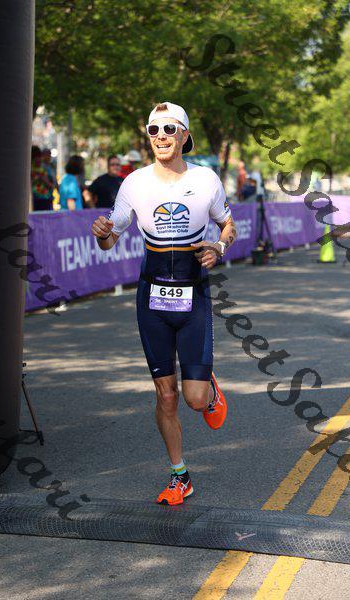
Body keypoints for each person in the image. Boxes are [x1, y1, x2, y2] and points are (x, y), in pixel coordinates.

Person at [91, 102, 237, 505]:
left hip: (194, 298)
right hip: (151, 299)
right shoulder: (134, 183)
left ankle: (208, 389)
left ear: (185, 135)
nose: (161, 137)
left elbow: (228, 224)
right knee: (166, 395)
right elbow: (110, 239)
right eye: (153, 130)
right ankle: (179, 475)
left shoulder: (206, 179)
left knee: (194, 400)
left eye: (169, 129)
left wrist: (219, 247)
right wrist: (102, 233)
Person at [31, 146, 54, 211]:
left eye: (39, 157)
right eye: (36, 157)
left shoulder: (44, 169)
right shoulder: (29, 170)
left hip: (45, 199)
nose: (39, 159)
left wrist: (43, 179)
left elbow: (51, 185)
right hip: (35, 200)